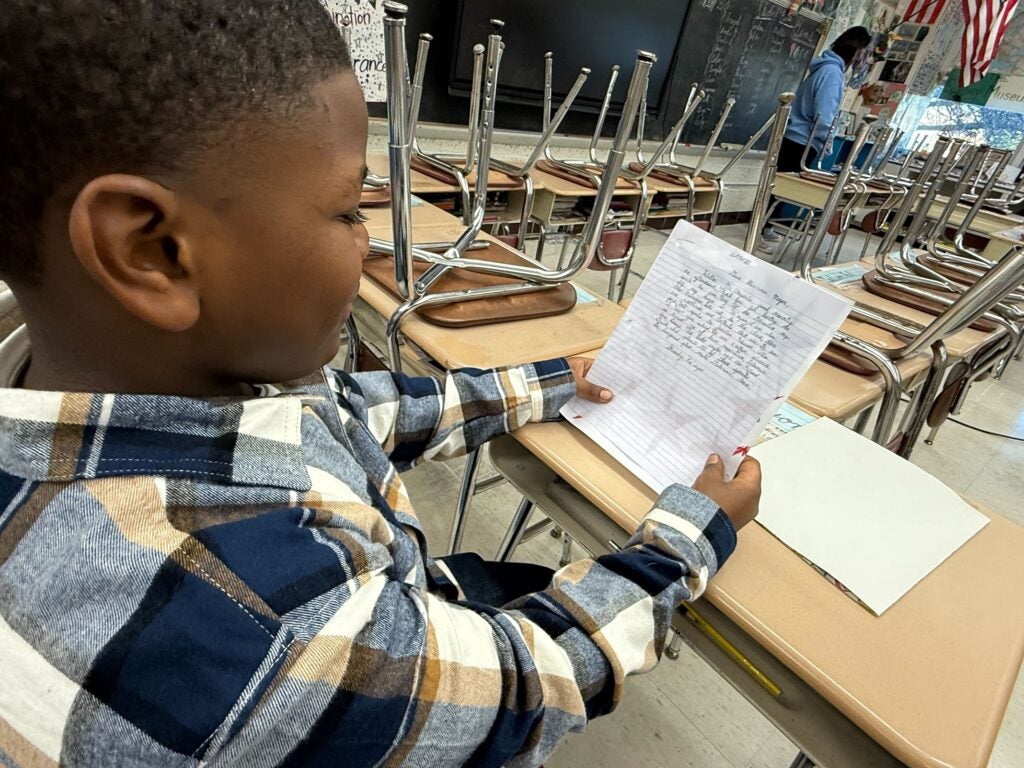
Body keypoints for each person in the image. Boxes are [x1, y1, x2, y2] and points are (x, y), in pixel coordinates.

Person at [0, 2, 761, 766]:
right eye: (347, 209)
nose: (369, 246)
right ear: (151, 249)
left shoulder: (93, 372)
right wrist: (688, 537)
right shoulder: (271, 626)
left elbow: (338, 414)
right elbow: (531, 684)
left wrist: (546, 384)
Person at [761, 26, 873, 248]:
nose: (866, 59)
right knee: (783, 190)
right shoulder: (832, 73)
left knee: (778, 187)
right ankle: (760, 230)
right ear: (857, 50)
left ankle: (764, 227)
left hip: (796, 137)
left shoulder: (825, 68)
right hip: (803, 141)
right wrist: (827, 143)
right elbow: (824, 115)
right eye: (865, 52)